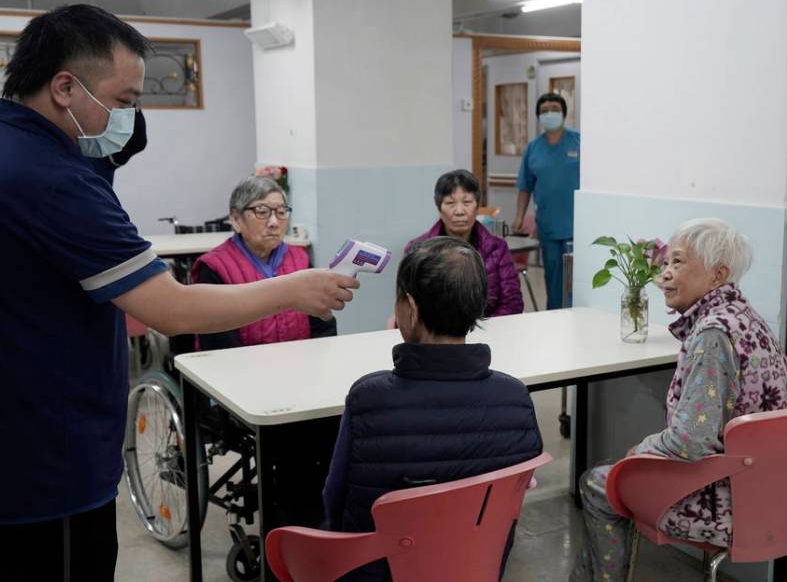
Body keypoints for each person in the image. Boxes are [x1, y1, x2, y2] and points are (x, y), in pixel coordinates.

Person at [0, 4, 357, 582]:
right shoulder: (49, 180)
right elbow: (171, 307)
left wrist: (100, 162)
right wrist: (291, 289)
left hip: (7, 436)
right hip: (47, 460)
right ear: (65, 87)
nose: (130, 116)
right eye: (126, 100)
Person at [570, 218, 787, 582]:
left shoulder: (712, 335)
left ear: (718, 274)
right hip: (780, 497)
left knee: (599, 484)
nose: (665, 275)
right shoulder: (747, 319)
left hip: (730, 505)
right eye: (665, 263)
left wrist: (640, 449)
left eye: (678, 263)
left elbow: (690, 441)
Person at [322, 237, 543, 581]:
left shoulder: (369, 397)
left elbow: (334, 501)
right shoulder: (516, 398)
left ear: (409, 308)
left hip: (381, 571)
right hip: (475, 566)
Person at [193, 175, 337, 348]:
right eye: (262, 212)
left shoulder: (300, 259)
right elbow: (218, 343)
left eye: (281, 212)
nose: (274, 222)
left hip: (302, 366)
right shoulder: (215, 267)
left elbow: (323, 326)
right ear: (236, 219)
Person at [405, 169, 523, 317]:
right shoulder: (417, 250)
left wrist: (479, 330)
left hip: (489, 331)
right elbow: (409, 307)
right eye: (450, 203)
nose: (459, 211)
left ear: (477, 206)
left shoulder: (497, 248)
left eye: (467, 202)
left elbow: (512, 303)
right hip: (437, 336)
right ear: (439, 208)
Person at [512, 92, 580, 310]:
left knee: (579, 282)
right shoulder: (533, 149)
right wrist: (519, 218)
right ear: (538, 116)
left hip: (579, 225)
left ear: (563, 113)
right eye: (544, 111)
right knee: (553, 281)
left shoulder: (579, 142)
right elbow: (525, 187)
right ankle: (555, 322)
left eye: (554, 109)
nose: (549, 113)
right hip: (549, 226)